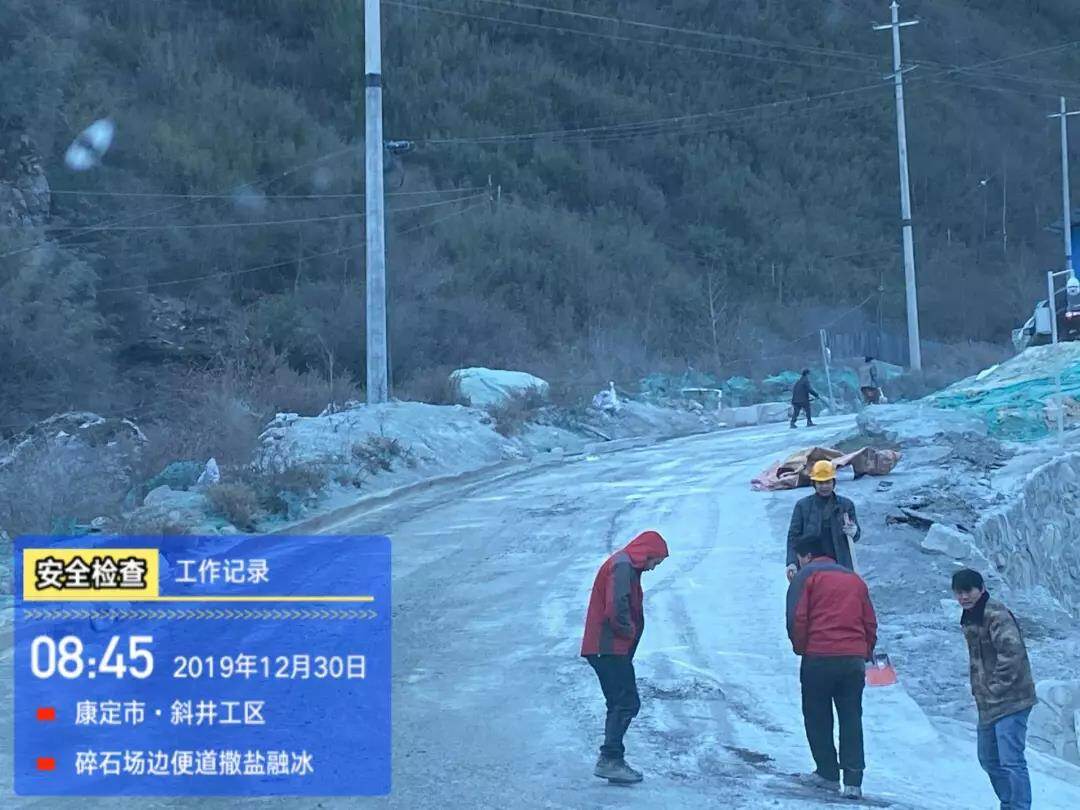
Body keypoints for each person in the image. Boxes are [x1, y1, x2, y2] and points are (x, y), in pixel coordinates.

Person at [786, 538, 878, 800]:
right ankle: (853, 781)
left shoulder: (806, 576)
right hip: (852, 659)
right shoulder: (854, 580)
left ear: (806, 556)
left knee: (817, 715)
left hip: (819, 656)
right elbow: (870, 621)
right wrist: (864, 650)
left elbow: (797, 617)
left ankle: (827, 773)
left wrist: (802, 648)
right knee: (851, 717)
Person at [580, 530, 670, 784]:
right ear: (647, 553)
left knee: (620, 702)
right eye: (655, 562)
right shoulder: (623, 567)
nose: (653, 568)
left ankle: (611, 759)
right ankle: (610, 760)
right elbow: (616, 607)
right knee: (626, 702)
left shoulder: (625, 565)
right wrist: (628, 632)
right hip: (608, 648)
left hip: (607, 648)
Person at [953, 569, 1036, 810]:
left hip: (1012, 699)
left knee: (1011, 761)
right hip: (988, 703)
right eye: (959, 592)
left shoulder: (996, 614)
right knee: (988, 759)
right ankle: (1008, 803)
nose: (963, 597)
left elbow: (1012, 654)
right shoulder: (970, 616)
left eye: (968, 591)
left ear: (981, 589)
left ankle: (1018, 807)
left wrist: (994, 688)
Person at [786, 460, 860, 582]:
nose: (824, 486)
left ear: (833, 482)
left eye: (827, 482)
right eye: (820, 483)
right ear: (814, 484)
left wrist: (854, 531)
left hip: (840, 564)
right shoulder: (802, 506)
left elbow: (856, 536)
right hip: (811, 564)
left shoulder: (846, 505)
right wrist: (792, 562)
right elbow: (793, 537)